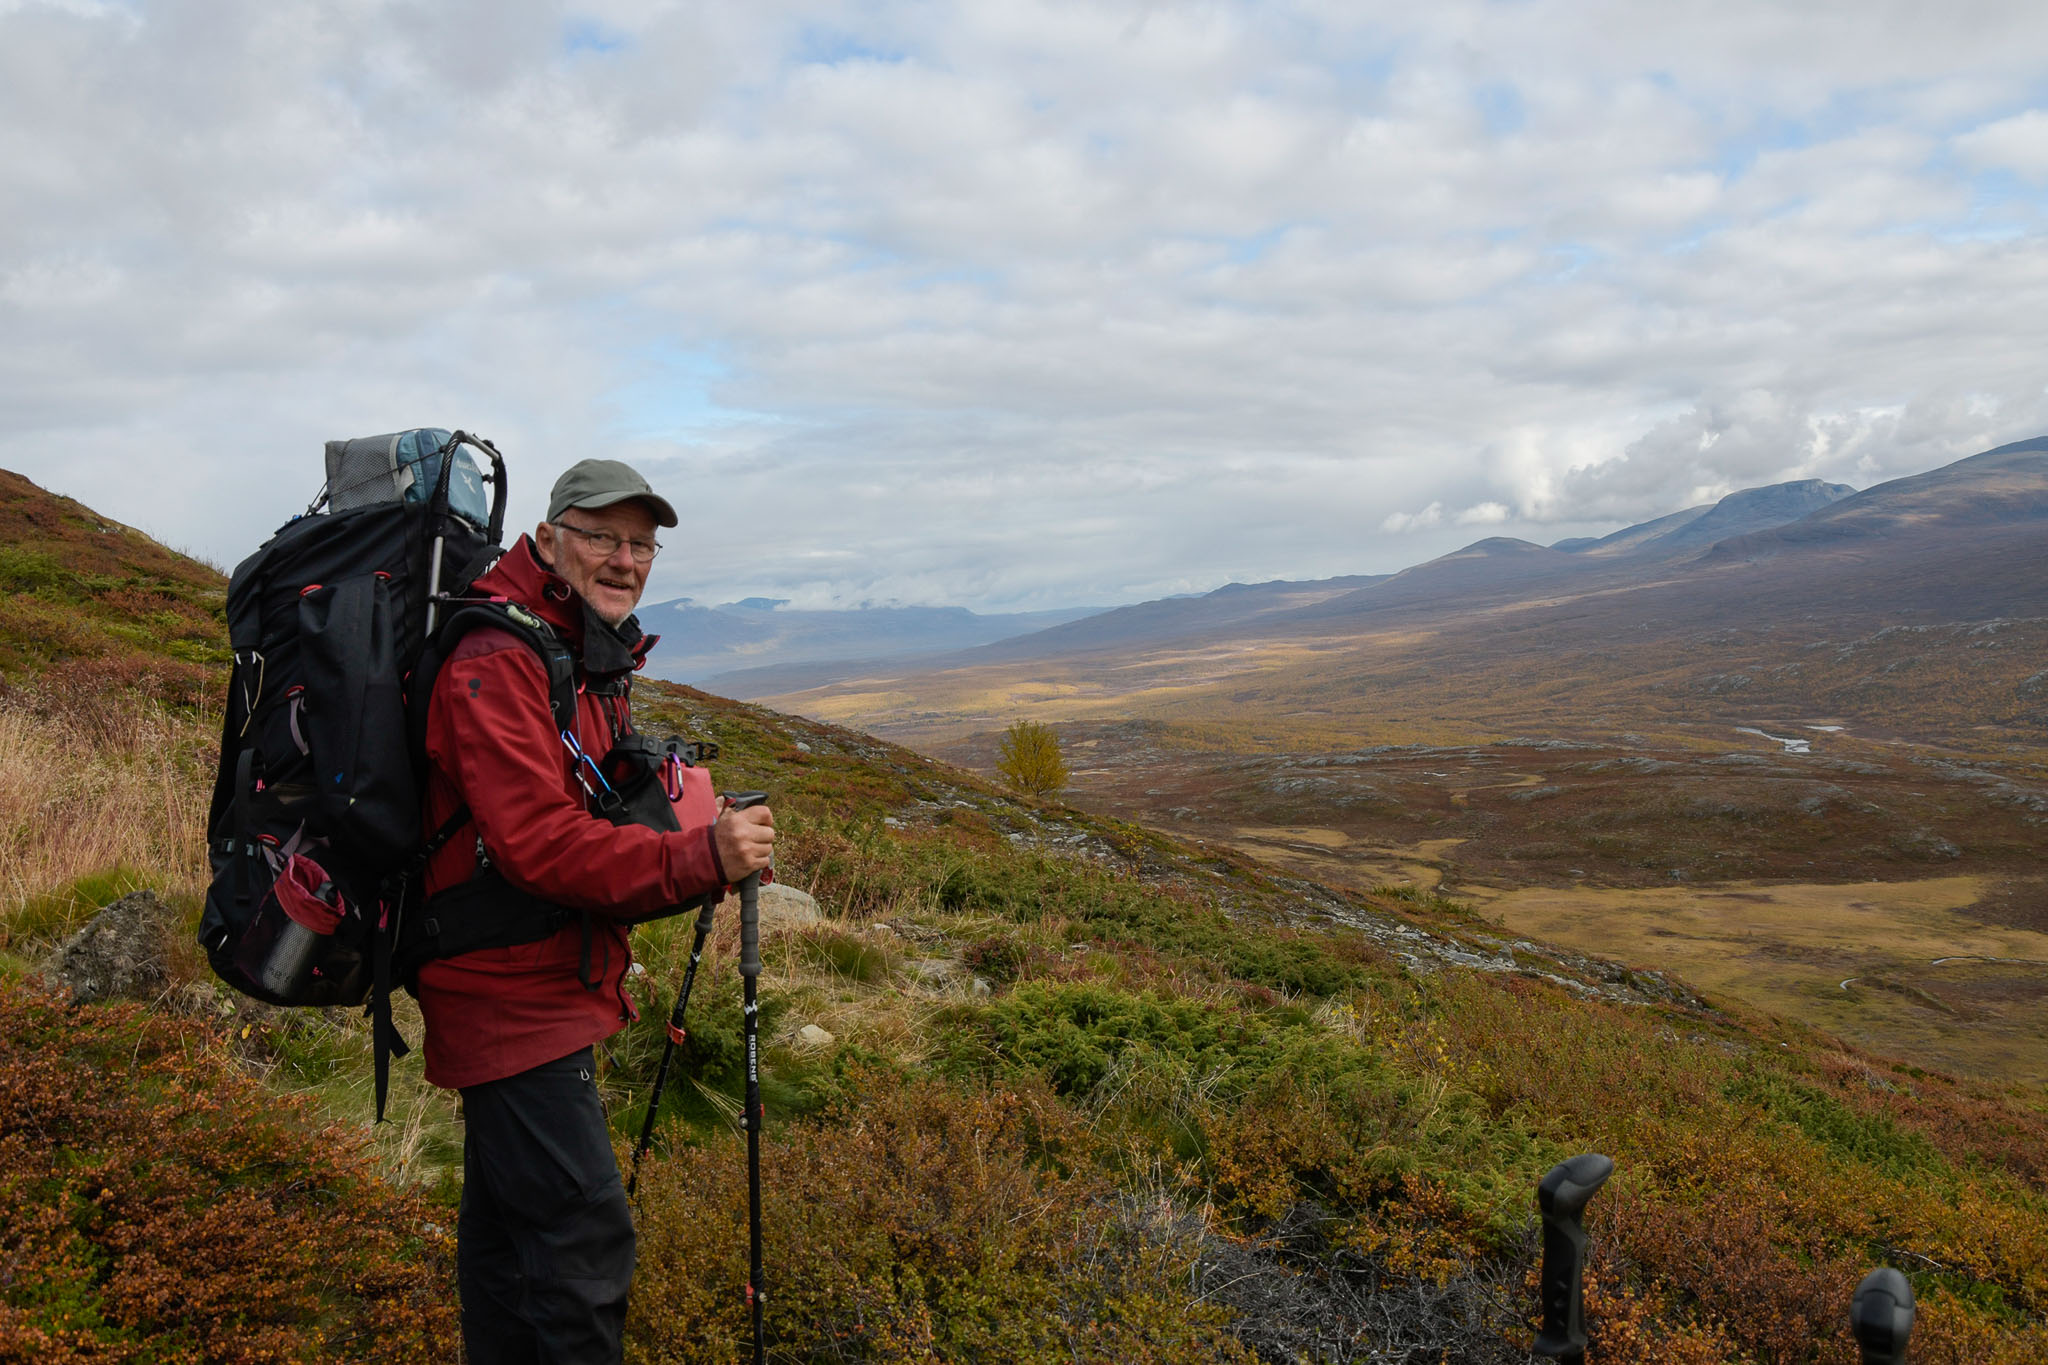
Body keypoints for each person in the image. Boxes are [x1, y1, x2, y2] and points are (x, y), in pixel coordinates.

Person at [414, 457, 774, 1363]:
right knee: (583, 1249)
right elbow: (538, 843)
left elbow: (586, 806)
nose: (625, 558)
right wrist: (700, 856)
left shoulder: (570, 647)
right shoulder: (497, 657)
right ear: (548, 538)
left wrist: (682, 813)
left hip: (535, 983)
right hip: (504, 994)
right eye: (603, 537)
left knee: (509, 1248)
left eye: (641, 543)